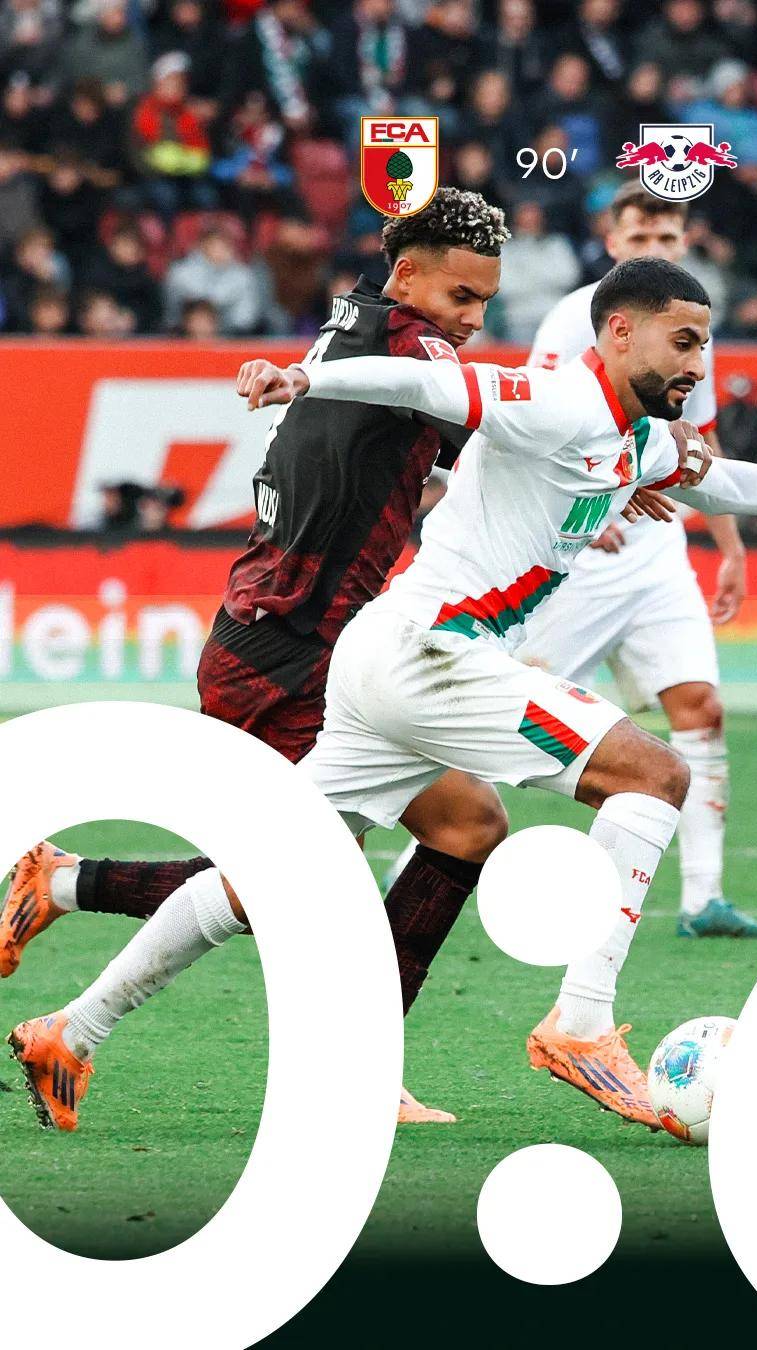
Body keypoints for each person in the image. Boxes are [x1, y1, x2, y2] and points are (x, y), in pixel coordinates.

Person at [6, 258, 757, 1136]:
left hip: (385, 657)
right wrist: (304, 378)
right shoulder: (558, 400)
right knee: (655, 777)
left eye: (704, 347)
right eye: (682, 343)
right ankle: (580, 1023)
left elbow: (720, 481)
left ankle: (70, 1030)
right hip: (434, 658)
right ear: (619, 332)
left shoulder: (635, 439)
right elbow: (430, 385)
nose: (697, 364)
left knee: (286, 870)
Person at [1, 188, 515, 1128]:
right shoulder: (413, 349)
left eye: (485, 301)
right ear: (408, 278)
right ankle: (77, 1015)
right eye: (462, 296)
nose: (474, 320)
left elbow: (447, 441)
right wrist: (620, 459)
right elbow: (501, 423)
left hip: (297, 641)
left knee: (450, 828)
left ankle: (65, 900)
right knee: (305, 875)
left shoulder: (358, 321)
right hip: (293, 649)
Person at [520, 184, 757, 943]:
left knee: (700, 706)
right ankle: (424, 853)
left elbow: (700, 444)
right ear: (612, 242)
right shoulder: (575, 317)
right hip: (579, 557)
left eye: (666, 237)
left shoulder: (692, 329)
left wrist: (729, 546)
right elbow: (536, 423)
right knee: (513, 717)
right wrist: (586, 508)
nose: (654, 249)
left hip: (659, 553)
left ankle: (704, 899)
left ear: (684, 241)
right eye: (640, 237)